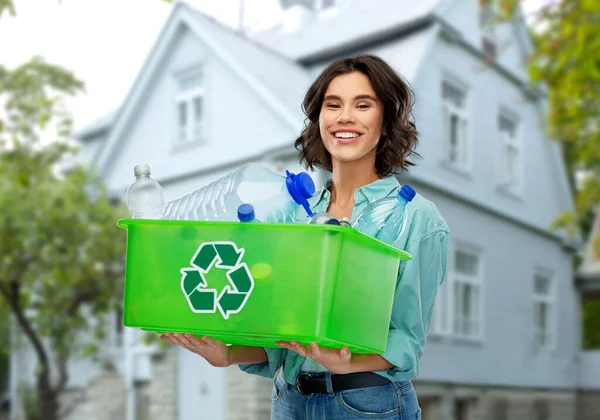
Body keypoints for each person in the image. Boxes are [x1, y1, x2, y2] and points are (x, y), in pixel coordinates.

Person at [160, 55, 450, 420]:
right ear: (319, 119)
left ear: (387, 120)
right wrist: (228, 353)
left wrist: (347, 362)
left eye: (363, 104)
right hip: (290, 400)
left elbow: (408, 339)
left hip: (364, 404)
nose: (345, 116)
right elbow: (281, 337)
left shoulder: (416, 218)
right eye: (333, 105)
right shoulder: (293, 213)